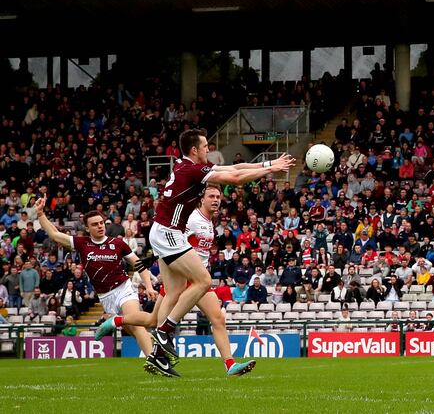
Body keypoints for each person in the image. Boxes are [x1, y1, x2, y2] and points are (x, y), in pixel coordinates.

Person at [148, 129, 294, 371]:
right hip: (168, 233)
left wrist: (269, 163)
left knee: (175, 292)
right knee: (204, 281)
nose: (209, 150)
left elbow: (235, 169)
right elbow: (236, 178)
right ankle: (164, 332)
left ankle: (158, 356)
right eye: (205, 146)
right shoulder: (192, 170)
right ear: (194, 150)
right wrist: (270, 170)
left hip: (163, 232)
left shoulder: (186, 167)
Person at [138, 186, 256, 376]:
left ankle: (230, 365)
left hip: (198, 276)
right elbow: (171, 241)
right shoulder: (192, 219)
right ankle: (156, 353)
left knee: (218, 319)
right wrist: (154, 257)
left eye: (218, 196)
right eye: (211, 196)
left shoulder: (210, 222)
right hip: (186, 277)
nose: (216, 200)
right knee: (160, 319)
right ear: (202, 199)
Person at [35, 199, 162, 373]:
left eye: (101, 223)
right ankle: (159, 350)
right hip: (105, 297)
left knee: (136, 323)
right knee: (133, 330)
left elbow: (139, 265)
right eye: (95, 224)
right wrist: (41, 214)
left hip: (124, 288)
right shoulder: (82, 243)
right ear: (87, 228)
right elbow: (56, 235)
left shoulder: (117, 243)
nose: (100, 226)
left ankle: (154, 362)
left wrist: (148, 286)